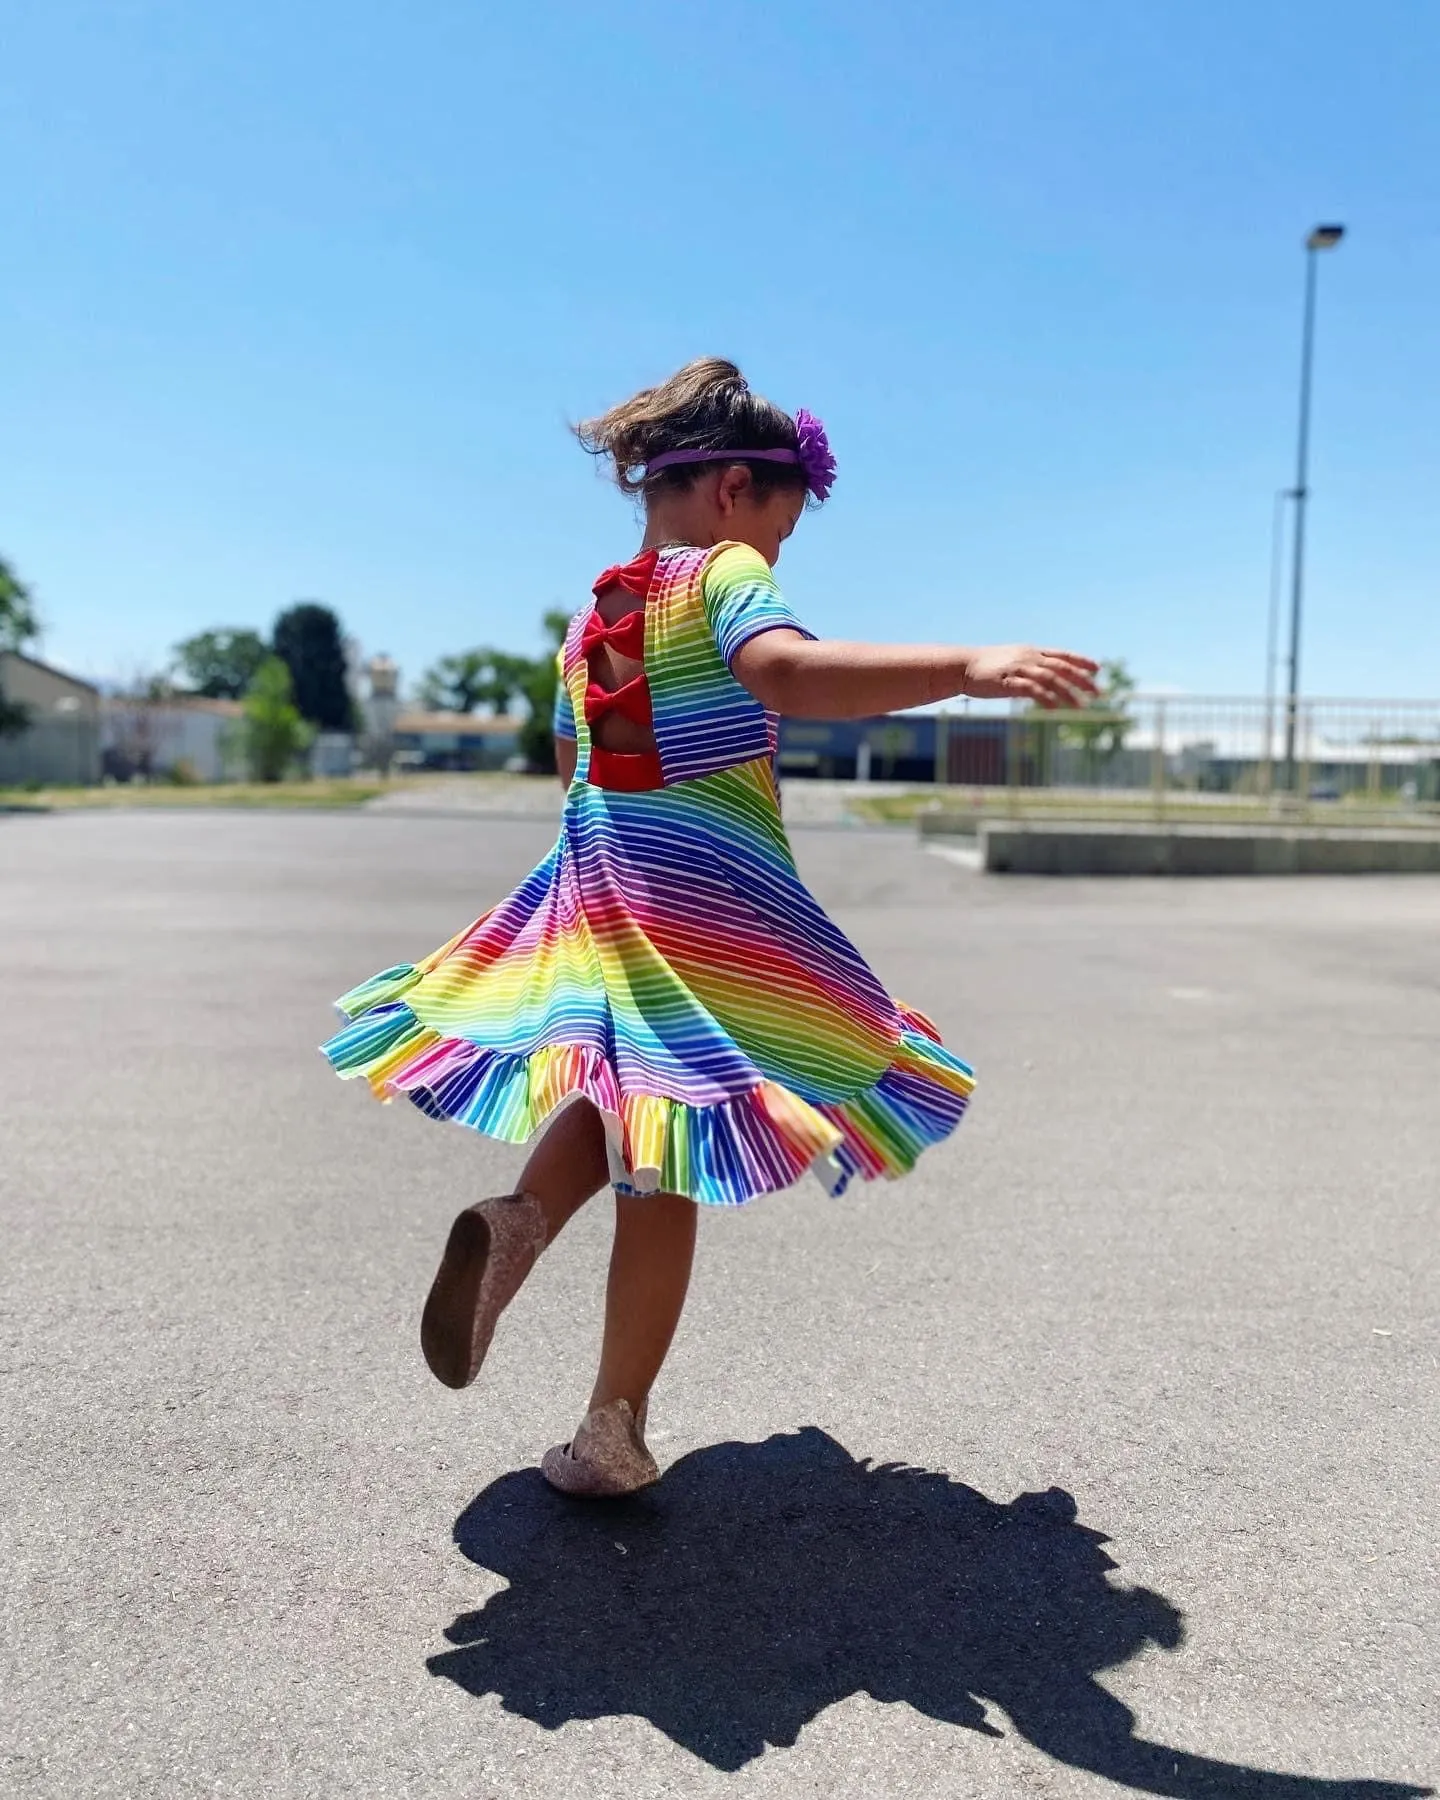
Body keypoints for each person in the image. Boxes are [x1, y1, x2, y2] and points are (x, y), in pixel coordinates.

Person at [322, 358, 1098, 1497]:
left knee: (621, 1098)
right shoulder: (725, 572)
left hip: (600, 888)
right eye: (782, 532)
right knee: (670, 1157)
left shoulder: (599, 613)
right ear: (736, 490)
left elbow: (568, 762)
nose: (776, 560)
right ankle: (610, 1430)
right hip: (703, 907)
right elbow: (783, 671)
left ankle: (524, 1219)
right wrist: (964, 669)